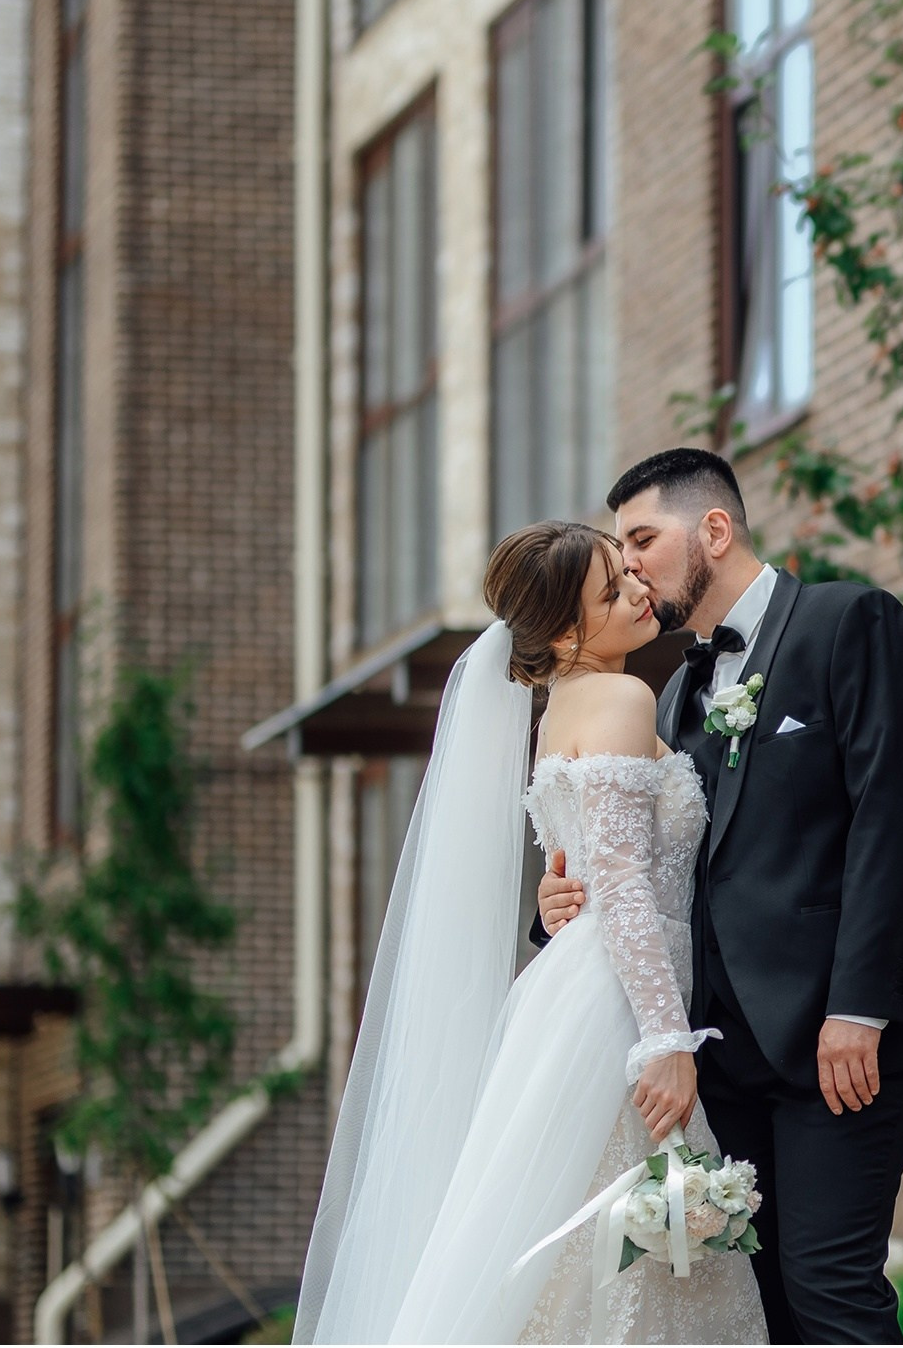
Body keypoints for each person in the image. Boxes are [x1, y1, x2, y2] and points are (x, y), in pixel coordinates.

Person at [534, 448, 903, 1344]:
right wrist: (555, 904)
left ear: (714, 530)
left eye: (643, 539)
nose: (629, 564)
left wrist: (860, 1007)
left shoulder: (850, 621)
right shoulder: (672, 690)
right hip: (722, 1054)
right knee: (767, 1309)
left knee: (832, 1288)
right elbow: (647, 855)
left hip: (840, 1038)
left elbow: (896, 816)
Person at [295, 521, 768, 1344]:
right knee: (625, 1238)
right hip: (623, 1000)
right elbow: (619, 880)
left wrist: (559, 899)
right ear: (562, 632)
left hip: (583, 985)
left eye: (628, 573)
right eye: (611, 592)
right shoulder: (621, 697)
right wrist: (666, 1037)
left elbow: (582, 867)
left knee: (572, 1239)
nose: (637, 591)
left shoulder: (559, 711)